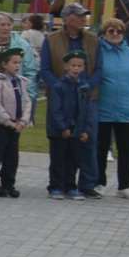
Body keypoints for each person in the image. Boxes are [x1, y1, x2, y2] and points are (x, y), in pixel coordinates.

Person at [94, 17, 129, 199]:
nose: (116, 34)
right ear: (104, 33)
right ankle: (98, 182)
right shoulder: (97, 51)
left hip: (127, 108)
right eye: (111, 31)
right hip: (103, 108)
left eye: (119, 31)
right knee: (100, 148)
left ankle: (125, 186)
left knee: (126, 148)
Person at [45, 47, 97, 199]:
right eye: (73, 65)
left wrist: (86, 129)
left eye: (79, 66)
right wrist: (63, 127)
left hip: (77, 130)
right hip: (59, 131)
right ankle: (55, 186)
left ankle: (70, 186)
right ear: (66, 67)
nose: (76, 68)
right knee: (58, 159)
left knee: (73, 159)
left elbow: (86, 110)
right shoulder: (58, 86)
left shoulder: (84, 87)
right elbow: (56, 110)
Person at [0, 47, 31, 198]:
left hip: (16, 126)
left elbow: (27, 102)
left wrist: (23, 121)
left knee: (12, 157)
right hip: (1, 125)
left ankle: (8, 183)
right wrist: (7, 121)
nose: (17, 66)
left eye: (19, 63)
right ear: (4, 64)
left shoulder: (22, 82)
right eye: (14, 62)